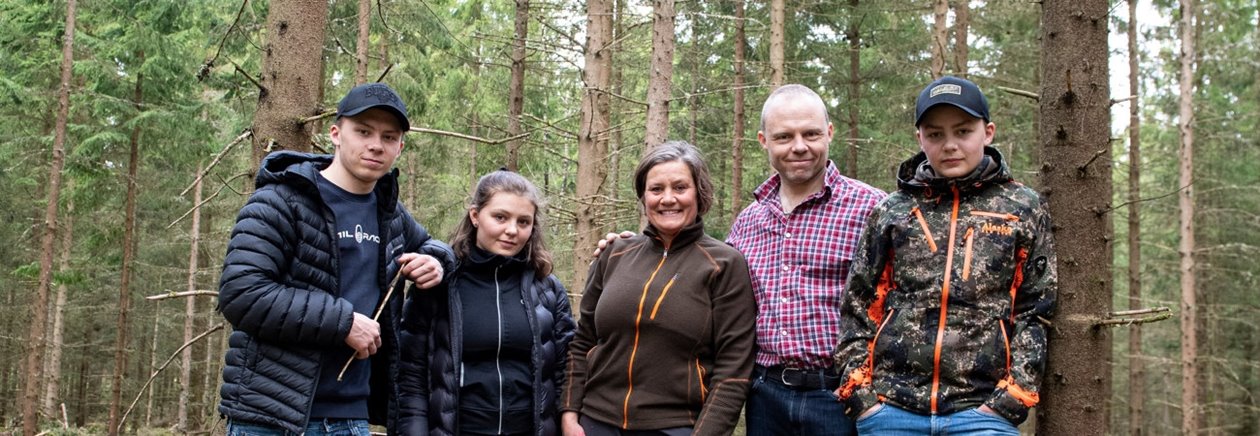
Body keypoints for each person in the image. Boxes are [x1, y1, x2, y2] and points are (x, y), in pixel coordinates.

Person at [594, 85, 886, 435]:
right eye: (784, 136)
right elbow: (694, 283)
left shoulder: (872, 209)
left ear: (830, 133)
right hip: (765, 395)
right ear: (764, 140)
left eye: (811, 134)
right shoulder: (749, 221)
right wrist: (631, 249)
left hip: (840, 394)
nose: (798, 146)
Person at [217, 82, 456, 435]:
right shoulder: (280, 201)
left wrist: (436, 261)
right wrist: (342, 323)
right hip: (271, 418)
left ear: (400, 147)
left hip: (352, 418)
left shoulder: (390, 214)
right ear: (335, 133)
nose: (376, 145)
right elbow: (242, 294)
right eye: (363, 131)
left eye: (389, 137)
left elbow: (435, 246)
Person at [833, 76, 1058, 434]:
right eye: (936, 134)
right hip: (891, 409)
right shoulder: (893, 210)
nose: (950, 145)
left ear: (988, 132)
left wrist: (1012, 398)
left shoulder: (1022, 208)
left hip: (982, 413)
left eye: (963, 131)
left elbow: (1036, 309)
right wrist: (861, 398)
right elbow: (858, 303)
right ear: (919, 138)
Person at [562, 141, 757, 436]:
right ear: (643, 197)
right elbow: (583, 341)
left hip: (674, 427)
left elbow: (733, 370)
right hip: (595, 422)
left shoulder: (724, 264)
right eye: (656, 189)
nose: (668, 199)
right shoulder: (614, 254)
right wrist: (569, 414)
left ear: (699, 193)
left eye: (680, 187)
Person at [397, 170, 576, 436]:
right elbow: (410, 377)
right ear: (475, 216)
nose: (512, 230)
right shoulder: (439, 283)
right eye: (500, 217)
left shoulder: (548, 290)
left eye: (524, 222)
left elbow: (564, 372)